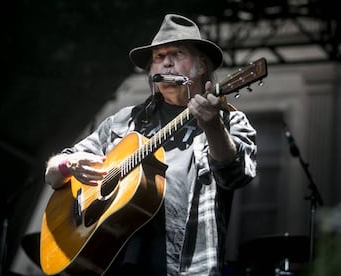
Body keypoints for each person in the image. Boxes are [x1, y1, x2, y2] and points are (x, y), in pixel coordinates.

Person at [44, 13, 257, 276]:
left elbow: (235, 175)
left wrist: (213, 127)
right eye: (158, 57)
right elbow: (53, 175)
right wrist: (69, 164)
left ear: (202, 65)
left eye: (177, 53)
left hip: (189, 267)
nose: (166, 63)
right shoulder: (123, 123)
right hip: (114, 265)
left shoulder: (228, 121)